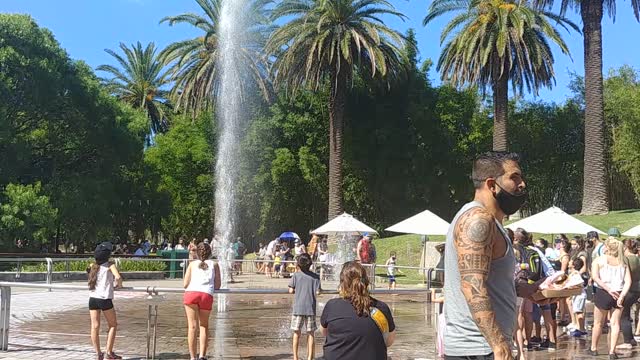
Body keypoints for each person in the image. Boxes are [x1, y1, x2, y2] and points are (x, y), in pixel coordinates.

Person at [444, 151, 540, 360]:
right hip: (479, 349)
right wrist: (498, 344)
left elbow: (487, 281)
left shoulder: (492, 223)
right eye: (514, 177)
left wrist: (526, 290)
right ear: (491, 184)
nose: (522, 184)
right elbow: (472, 284)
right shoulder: (478, 219)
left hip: (485, 348)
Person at [320, 261, 395, 360]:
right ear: (366, 282)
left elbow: (324, 332)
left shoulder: (332, 306)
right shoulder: (381, 308)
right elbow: (389, 341)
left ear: (342, 283)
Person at [589, 237, 632, 358]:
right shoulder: (623, 261)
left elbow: (595, 277)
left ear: (607, 247)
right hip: (619, 292)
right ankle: (612, 351)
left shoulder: (599, 260)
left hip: (604, 292)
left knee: (598, 323)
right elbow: (628, 281)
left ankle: (593, 348)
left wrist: (608, 289)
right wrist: (622, 295)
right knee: (615, 323)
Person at [183, 243, 221, 360]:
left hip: (191, 294)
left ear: (197, 253)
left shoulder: (192, 264)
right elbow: (218, 285)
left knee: (192, 327)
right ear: (210, 253)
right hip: (206, 294)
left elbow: (185, 284)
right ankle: (202, 356)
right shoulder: (215, 264)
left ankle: (192, 357)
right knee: (204, 325)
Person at [87, 242, 123, 360]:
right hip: (104, 299)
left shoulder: (93, 265)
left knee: (95, 326)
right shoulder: (110, 265)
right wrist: (118, 285)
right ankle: (109, 352)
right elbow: (117, 277)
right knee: (113, 325)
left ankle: (98, 353)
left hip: (93, 298)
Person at [288, 253, 321, 360]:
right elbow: (318, 292)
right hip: (310, 308)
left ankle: (295, 357)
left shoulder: (296, 276)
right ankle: (310, 357)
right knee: (310, 333)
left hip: (298, 308)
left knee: (296, 333)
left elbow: (290, 290)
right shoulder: (315, 277)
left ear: (298, 264)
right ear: (310, 264)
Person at [618, 238, 640, 349]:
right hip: (637, 289)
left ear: (625, 247)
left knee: (624, 315)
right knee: (626, 313)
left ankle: (627, 341)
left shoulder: (626, 259)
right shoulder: (637, 258)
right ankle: (631, 339)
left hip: (629, 289)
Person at [568, 258, 588, 337]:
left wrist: (570, 287)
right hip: (576, 295)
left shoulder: (576, 274)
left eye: (570, 262)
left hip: (579, 295)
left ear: (573, 265)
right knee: (576, 311)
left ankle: (582, 329)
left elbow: (580, 283)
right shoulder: (573, 273)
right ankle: (578, 327)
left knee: (579, 312)